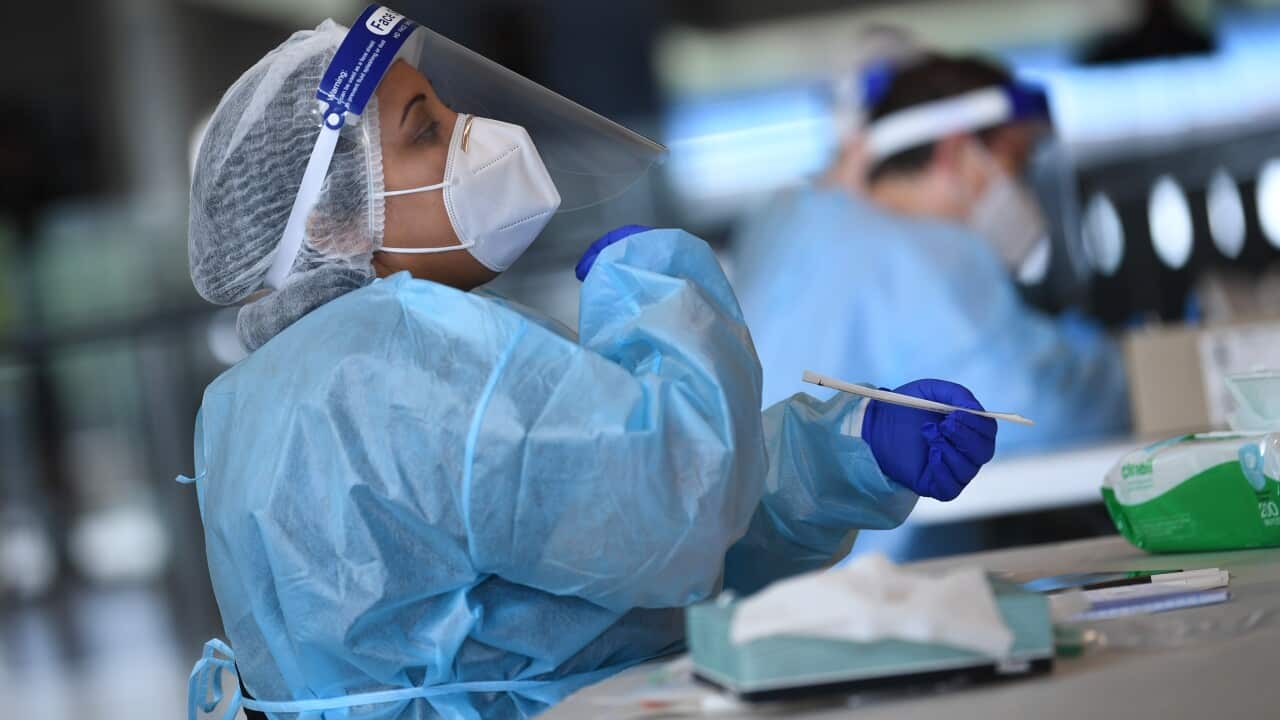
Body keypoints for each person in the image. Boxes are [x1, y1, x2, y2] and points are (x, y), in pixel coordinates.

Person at [180, 10, 998, 719]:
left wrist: (845, 450)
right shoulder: (407, 362)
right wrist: (658, 295)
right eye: (426, 131)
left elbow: (597, 542)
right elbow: (676, 511)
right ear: (331, 223)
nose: (472, 136)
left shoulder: (264, 394)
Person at [733, 54, 1130, 456]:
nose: (1022, 193)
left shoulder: (789, 222)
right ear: (955, 153)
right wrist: (1117, 364)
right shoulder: (929, 256)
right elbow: (1039, 415)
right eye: (1016, 164)